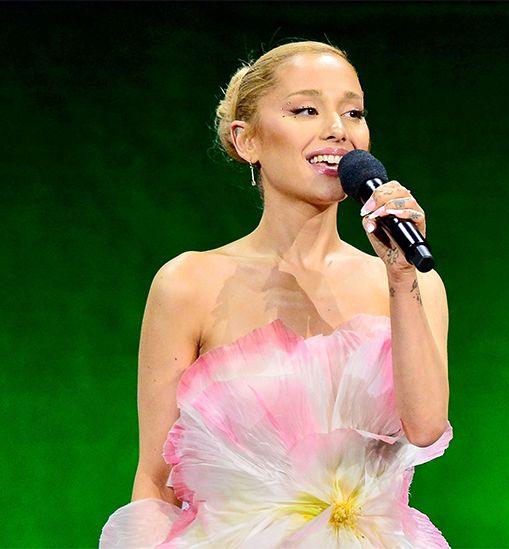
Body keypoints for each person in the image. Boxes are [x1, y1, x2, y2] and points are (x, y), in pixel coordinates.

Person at [100, 41, 451, 547]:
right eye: (305, 109)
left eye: (353, 112)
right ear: (247, 141)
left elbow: (425, 427)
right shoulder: (188, 283)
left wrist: (400, 279)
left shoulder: (412, 284)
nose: (337, 128)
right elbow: (156, 479)